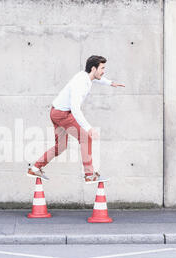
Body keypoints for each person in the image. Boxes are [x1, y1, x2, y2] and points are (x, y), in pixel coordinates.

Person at [27, 55, 125, 183]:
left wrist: (110, 83)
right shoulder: (81, 84)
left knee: (60, 147)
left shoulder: (85, 76)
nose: (103, 71)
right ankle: (90, 174)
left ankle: (35, 169)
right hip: (63, 114)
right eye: (102, 68)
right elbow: (75, 109)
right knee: (86, 137)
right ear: (94, 69)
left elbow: (97, 79)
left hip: (55, 112)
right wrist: (89, 128)